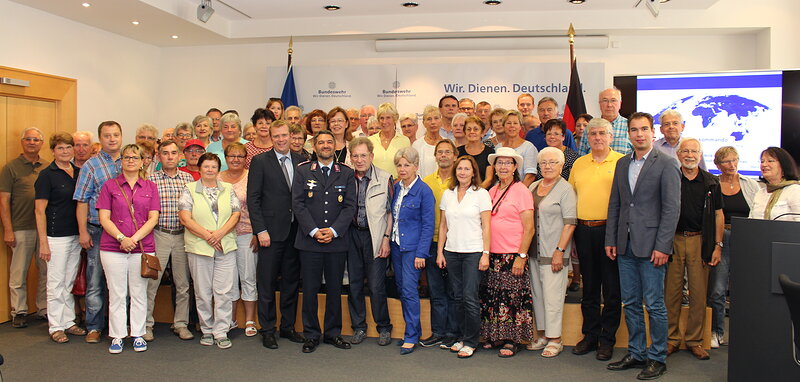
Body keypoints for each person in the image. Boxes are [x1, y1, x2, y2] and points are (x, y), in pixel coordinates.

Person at [605, 112, 680, 380]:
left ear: (653, 133)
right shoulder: (623, 163)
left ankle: (657, 357)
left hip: (652, 247)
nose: (639, 134)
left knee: (655, 305)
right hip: (624, 245)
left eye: (644, 129)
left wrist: (663, 246)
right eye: (634, 130)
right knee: (632, 303)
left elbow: (672, 210)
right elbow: (616, 204)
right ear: (629, 133)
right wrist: (611, 239)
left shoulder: (667, 164)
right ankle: (636, 352)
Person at [292, 130, 356, 353]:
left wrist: (334, 230)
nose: (326, 146)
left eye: (329, 142)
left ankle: (332, 333)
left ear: (334, 146)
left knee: (335, 289)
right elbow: (298, 204)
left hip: (336, 241)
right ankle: (311, 334)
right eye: (321, 142)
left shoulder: (346, 173)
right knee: (309, 289)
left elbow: (350, 206)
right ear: (314, 146)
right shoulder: (302, 171)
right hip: (310, 241)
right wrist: (313, 230)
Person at [568, 117, 625, 361]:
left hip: (610, 231)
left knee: (612, 290)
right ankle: (590, 335)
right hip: (584, 231)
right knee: (589, 288)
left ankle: (607, 339)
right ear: (587, 138)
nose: (598, 137)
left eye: (603, 133)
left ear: (611, 137)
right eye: (593, 134)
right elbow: (571, 199)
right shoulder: (579, 164)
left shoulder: (622, 162)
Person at [247, 120, 306, 349]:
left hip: (296, 233)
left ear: (291, 136)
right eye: (277, 136)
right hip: (269, 234)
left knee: (292, 282)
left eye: (284, 135)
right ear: (270, 138)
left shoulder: (302, 161)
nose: (281, 140)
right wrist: (260, 230)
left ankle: (288, 327)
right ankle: (268, 329)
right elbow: (253, 199)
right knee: (268, 283)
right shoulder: (260, 161)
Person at [97, 144, 160, 354]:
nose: (130, 160)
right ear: (121, 161)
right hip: (112, 247)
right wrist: (122, 238)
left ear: (143, 161)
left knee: (139, 292)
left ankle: (138, 333)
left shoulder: (150, 187)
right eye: (126, 157)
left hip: (142, 247)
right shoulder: (109, 186)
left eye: (135, 157)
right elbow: (104, 218)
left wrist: (133, 239)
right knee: (116, 293)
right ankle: (117, 335)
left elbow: (153, 218)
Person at [665, 138, 723, 361]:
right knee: (671, 292)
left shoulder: (711, 182)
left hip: (701, 241)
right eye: (685, 151)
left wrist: (717, 246)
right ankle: (671, 339)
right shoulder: (670, 178)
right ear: (678, 155)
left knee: (698, 293)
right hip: (673, 241)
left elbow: (718, 214)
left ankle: (695, 341)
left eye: (694, 151)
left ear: (700, 155)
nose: (690, 155)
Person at [179, 152, 241, 349]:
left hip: (225, 245)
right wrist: (208, 236)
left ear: (218, 169)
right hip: (199, 246)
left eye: (214, 167)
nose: (210, 170)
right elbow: (185, 218)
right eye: (206, 166)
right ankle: (206, 329)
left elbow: (235, 214)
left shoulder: (228, 188)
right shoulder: (189, 189)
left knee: (223, 291)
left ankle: (221, 330)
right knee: (203, 291)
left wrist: (219, 234)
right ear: (199, 169)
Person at [480, 147, 535, 357]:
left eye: (507, 163)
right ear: (494, 167)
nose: (503, 167)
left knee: (511, 298)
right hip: (492, 253)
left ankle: (512, 340)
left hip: (512, 254)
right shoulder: (492, 191)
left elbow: (529, 228)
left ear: (514, 167)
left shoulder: (521, 191)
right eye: (499, 163)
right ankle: (495, 336)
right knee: (493, 297)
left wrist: (521, 256)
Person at [436, 156, 491, 358]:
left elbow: (486, 226)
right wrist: (440, 252)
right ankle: (461, 336)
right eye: (460, 168)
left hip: (474, 252)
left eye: (467, 169)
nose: (463, 172)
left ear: (473, 172)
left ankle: (471, 341)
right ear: (455, 171)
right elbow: (443, 226)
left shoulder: (481, 194)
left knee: (469, 297)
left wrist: (486, 253)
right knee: (457, 297)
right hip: (452, 252)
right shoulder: (448, 194)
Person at [73, 121, 123, 343]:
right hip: (97, 230)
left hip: (125, 232)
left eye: (116, 135)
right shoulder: (91, 166)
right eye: (107, 136)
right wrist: (83, 231)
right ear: (100, 139)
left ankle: (121, 325)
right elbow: (82, 201)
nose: (112, 139)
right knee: (95, 281)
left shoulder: (131, 161)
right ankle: (94, 326)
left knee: (122, 282)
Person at [34, 132, 85, 342]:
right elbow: (39, 211)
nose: (65, 151)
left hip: (75, 235)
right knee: (55, 282)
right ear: (53, 151)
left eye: (68, 147)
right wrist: (44, 242)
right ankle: (56, 326)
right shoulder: (47, 175)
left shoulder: (79, 172)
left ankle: (68, 321)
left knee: (68, 281)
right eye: (60, 148)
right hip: (55, 236)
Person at [527, 147, 577, 358]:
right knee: (537, 295)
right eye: (544, 163)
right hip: (533, 253)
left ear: (561, 165)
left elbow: (570, 224)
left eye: (552, 162)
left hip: (554, 253)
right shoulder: (533, 186)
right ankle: (542, 336)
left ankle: (556, 339)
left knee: (553, 297)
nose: (547, 166)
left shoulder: (566, 189)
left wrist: (559, 251)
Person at [708, 146, 759, 348]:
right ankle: (717, 332)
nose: (731, 165)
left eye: (734, 160)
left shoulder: (750, 184)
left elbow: (757, 211)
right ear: (718, 165)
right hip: (722, 238)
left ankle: (744, 333)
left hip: (746, 237)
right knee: (717, 290)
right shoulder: (713, 184)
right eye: (726, 162)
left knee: (745, 288)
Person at [345, 137, 394, 346]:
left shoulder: (385, 178)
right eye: (355, 156)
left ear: (371, 156)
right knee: (354, 284)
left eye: (363, 155)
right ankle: (358, 327)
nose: (359, 159)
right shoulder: (345, 177)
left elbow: (392, 212)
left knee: (376, 286)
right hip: (351, 236)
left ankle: (383, 327)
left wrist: (386, 239)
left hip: (375, 236)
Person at [145, 140, 195, 341]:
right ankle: (146, 324)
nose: (170, 157)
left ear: (179, 156)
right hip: (159, 234)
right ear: (158, 156)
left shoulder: (188, 178)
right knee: (151, 283)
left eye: (174, 153)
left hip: (183, 235)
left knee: (183, 284)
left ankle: (181, 323)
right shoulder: (151, 179)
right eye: (165, 153)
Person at [1, 127, 49, 328]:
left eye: (36, 139)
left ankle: (44, 308)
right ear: (22, 142)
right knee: (18, 271)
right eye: (28, 139)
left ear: (41, 143)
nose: (32, 142)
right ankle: (19, 311)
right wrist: (8, 229)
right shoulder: (10, 168)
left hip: (44, 228)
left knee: (45, 270)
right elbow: (3, 201)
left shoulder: (47, 166)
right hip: (21, 227)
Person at [390, 147, 435, 355]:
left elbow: (428, 225)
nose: (402, 168)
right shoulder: (397, 187)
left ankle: (411, 336)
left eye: (407, 165)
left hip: (413, 249)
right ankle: (413, 331)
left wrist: (421, 253)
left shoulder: (424, 190)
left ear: (416, 166)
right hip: (396, 246)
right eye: (399, 165)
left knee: (409, 290)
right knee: (402, 289)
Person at [421, 140, 459, 349]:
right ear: (435, 156)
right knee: (436, 291)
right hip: (432, 242)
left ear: (455, 155)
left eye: (447, 152)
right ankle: (438, 332)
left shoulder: (461, 179)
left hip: (455, 244)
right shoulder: (426, 181)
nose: (443, 155)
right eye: (440, 152)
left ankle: (453, 333)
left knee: (453, 291)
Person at [219, 142, 258, 337]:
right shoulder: (217, 178)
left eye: (240, 156)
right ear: (225, 158)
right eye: (231, 156)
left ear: (246, 158)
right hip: (223, 236)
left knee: (248, 277)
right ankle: (231, 319)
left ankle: (250, 320)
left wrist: (258, 232)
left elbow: (259, 205)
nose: (235, 159)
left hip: (247, 233)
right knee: (229, 280)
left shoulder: (252, 177)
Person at [749, 147, 800, 220]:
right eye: (762, 161)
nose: (764, 164)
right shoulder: (760, 193)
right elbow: (750, 221)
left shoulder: (794, 190)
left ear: (783, 165)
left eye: (770, 161)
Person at [579, 88, 631, 156]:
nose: (609, 105)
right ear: (599, 104)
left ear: (620, 103)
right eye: (605, 101)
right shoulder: (590, 127)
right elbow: (582, 157)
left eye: (613, 100)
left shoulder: (630, 127)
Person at [496, 110, 538, 186]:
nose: (512, 126)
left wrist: (518, 191)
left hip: (519, 191)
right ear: (504, 126)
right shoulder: (498, 147)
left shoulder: (529, 147)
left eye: (515, 123)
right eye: (508, 123)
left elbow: (530, 176)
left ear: (520, 127)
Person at [368, 103, 411, 178]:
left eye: (388, 118)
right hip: (373, 185)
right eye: (381, 118)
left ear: (395, 119)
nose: (384, 122)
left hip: (397, 185)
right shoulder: (370, 141)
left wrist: (396, 184)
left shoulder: (404, 141)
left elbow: (408, 167)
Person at [458, 116, 495, 188]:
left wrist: (476, 193)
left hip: (482, 193)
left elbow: (489, 179)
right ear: (465, 133)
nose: (472, 132)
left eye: (475, 129)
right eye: (469, 129)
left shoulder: (489, 152)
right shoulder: (458, 151)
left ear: (482, 133)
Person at [411, 105, 444, 179]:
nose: (433, 122)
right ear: (423, 123)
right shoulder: (417, 145)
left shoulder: (448, 143)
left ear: (441, 121)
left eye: (436, 118)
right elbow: (414, 171)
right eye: (429, 119)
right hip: (423, 187)